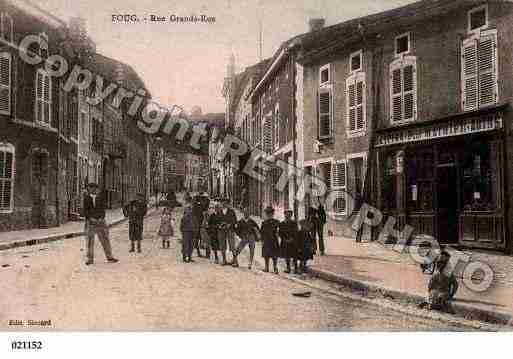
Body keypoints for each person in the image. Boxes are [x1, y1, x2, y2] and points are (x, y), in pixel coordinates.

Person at [82, 182, 119, 265]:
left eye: (94, 188)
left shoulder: (100, 197)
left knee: (105, 239)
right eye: (91, 188)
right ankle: (90, 259)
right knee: (90, 241)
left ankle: (109, 257)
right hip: (90, 222)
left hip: (101, 221)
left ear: (96, 189)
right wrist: (90, 218)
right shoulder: (86, 198)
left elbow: (103, 209)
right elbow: (85, 211)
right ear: (89, 189)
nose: (93, 190)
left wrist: (101, 218)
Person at [260, 206, 280, 274]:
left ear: (273, 214)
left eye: (270, 213)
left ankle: (275, 268)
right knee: (266, 254)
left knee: (274, 255)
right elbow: (261, 232)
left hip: (274, 240)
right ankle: (266, 267)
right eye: (268, 213)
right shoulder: (264, 223)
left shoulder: (276, 222)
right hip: (266, 240)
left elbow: (278, 231)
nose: (269, 214)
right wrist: (262, 240)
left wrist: (277, 234)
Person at [219, 198, 238, 266]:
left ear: (228, 204)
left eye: (225, 203)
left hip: (230, 230)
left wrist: (229, 224)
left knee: (232, 246)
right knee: (222, 245)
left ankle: (235, 261)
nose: (223, 204)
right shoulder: (219, 211)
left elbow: (235, 221)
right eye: (222, 203)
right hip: (221, 230)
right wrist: (220, 225)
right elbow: (217, 220)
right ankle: (224, 260)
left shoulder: (231, 211)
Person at [279, 210, 298, 274]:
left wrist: (292, 239)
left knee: (294, 255)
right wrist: (284, 239)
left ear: (291, 216)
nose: (288, 216)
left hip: (293, 242)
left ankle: (296, 268)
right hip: (285, 242)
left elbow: (296, 232)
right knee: (287, 256)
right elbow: (280, 233)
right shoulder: (282, 224)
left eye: (289, 215)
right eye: (286, 214)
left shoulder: (294, 223)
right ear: (284, 215)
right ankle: (288, 268)